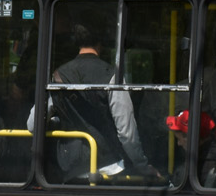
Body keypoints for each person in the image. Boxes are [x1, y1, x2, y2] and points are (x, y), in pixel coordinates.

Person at [49, 23, 157, 180]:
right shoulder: (113, 76)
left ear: (77, 42)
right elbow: (126, 132)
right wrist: (142, 166)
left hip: (71, 166)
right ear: (101, 44)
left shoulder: (58, 76)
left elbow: (33, 123)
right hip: (109, 167)